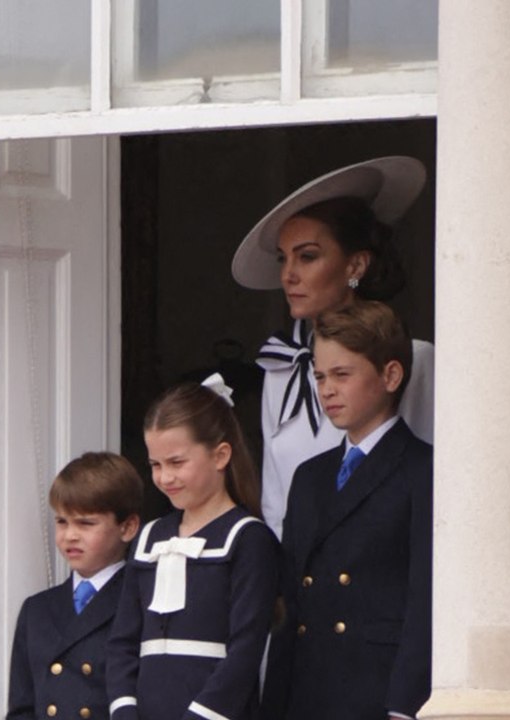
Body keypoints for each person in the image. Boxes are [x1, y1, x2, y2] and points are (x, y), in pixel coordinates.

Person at [230, 156, 435, 540]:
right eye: (283, 258)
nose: (289, 274)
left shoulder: (416, 358)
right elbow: (276, 501)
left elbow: (428, 481)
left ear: (355, 266)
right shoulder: (281, 368)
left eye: (307, 256)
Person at [260, 301, 433, 720]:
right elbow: (289, 608)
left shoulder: (424, 470)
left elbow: (424, 600)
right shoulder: (309, 477)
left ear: (390, 375)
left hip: (375, 694)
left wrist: (405, 707)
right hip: (307, 695)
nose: (326, 390)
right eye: (319, 376)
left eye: (342, 375)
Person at [106, 375, 278, 720]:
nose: (164, 477)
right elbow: (122, 642)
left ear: (220, 455)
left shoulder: (248, 538)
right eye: (155, 465)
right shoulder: (150, 538)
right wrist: (124, 711)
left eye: (176, 462)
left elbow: (245, 650)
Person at [7, 451, 144, 720]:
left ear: (127, 527)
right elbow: (22, 709)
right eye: (61, 522)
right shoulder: (37, 609)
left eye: (86, 523)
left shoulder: (142, 600)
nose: (70, 535)